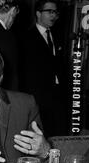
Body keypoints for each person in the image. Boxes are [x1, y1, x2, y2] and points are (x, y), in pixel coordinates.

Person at [19, 0, 67, 138]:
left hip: (57, 97)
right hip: (38, 98)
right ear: (38, 13)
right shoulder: (26, 38)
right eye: (49, 11)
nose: (54, 16)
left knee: (57, 135)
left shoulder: (58, 36)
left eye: (56, 12)